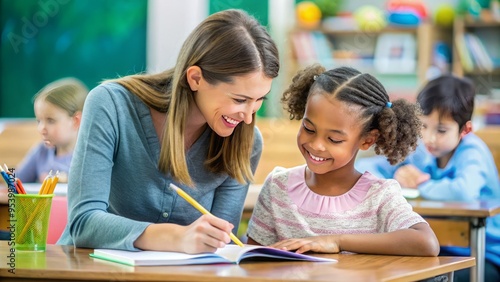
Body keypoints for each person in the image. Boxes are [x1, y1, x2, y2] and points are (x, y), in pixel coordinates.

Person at [57, 9, 280, 254]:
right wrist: (176, 237)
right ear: (195, 78)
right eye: (239, 100)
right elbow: (83, 223)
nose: (249, 117)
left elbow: (219, 246)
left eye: (259, 100)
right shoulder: (111, 104)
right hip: (89, 271)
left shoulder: (246, 142)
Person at [246, 65, 439, 257]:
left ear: (367, 140)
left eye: (334, 139)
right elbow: (252, 259)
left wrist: (337, 241)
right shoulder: (277, 187)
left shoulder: (379, 196)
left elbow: (427, 243)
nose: (317, 145)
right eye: (309, 129)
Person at [356, 74, 500, 281]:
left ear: (466, 129)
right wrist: (397, 178)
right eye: (423, 126)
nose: (430, 138)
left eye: (441, 130)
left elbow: (463, 191)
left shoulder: (473, 151)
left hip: (485, 254)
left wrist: (421, 182)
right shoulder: (424, 150)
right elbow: (365, 167)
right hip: (440, 248)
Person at [0, 77, 88, 240]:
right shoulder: (41, 151)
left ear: (76, 121)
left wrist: (67, 179)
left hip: (72, 232)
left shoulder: (88, 155)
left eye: (50, 121)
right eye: (38, 120)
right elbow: (16, 180)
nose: (41, 128)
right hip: (36, 227)